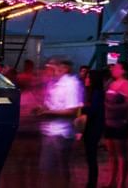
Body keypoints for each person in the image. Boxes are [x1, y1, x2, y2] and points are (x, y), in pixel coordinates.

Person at [36, 57, 85, 188]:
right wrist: (42, 109)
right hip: (49, 131)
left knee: (60, 169)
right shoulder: (52, 83)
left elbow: (72, 111)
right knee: (47, 169)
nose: (47, 71)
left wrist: (48, 113)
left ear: (62, 69)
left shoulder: (71, 84)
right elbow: (51, 105)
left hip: (62, 133)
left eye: (51, 68)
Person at [105, 62, 128, 188]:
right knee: (111, 154)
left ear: (123, 71)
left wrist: (125, 119)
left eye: (116, 67)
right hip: (109, 122)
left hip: (119, 122)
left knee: (121, 154)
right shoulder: (111, 83)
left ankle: (121, 182)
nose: (113, 69)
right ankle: (111, 180)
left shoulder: (126, 84)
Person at [82, 68, 108, 188]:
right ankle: (91, 182)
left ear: (93, 80)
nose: (85, 79)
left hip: (94, 127)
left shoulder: (96, 93)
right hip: (93, 126)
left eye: (88, 77)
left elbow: (93, 110)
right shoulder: (92, 92)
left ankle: (92, 183)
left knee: (91, 157)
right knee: (90, 157)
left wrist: (81, 108)